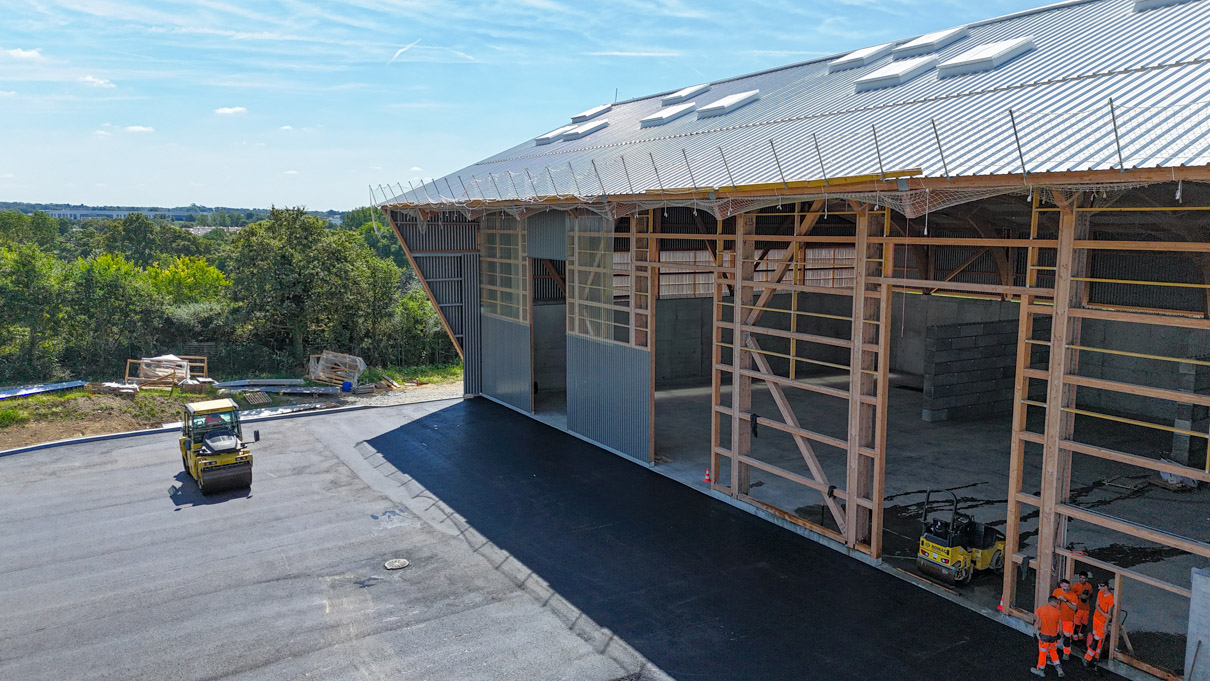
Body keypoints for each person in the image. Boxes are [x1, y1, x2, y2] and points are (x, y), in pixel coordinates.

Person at [1084, 581, 1115, 669]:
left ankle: (1088, 658)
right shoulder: (1100, 593)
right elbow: (1097, 605)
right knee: (1097, 639)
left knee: (1096, 640)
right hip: (1096, 619)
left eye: (1100, 587)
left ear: (1105, 587)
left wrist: (1105, 625)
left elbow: (1109, 615)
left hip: (1102, 622)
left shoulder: (1110, 598)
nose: (1098, 588)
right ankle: (1096, 657)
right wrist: (1103, 613)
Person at [1033, 595, 1065, 677]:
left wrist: (1034, 633)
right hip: (1053, 636)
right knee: (1053, 651)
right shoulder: (1058, 612)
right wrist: (1059, 634)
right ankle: (1059, 668)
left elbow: (1037, 622)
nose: (1057, 605)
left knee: (1043, 653)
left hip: (1044, 636)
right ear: (1052, 602)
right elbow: (1060, 625)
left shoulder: (1041, 609)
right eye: (1056, 603)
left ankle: (1040, 669)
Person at [1052, 579, 1079, 659]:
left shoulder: (1073, 595)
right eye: (1064, 586)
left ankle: (1066, 653)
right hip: (1057, 618)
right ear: (1061, 585)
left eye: (1067, 586)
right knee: (1055, 635)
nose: (1066, 588)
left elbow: (1074, 608)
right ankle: (1053, 651)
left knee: (1067, 637)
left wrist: (1066, 600)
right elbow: (1052, 603)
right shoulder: (1056, 591)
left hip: (1068, 619)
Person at [1072, 572, 1092, 641]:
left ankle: (1081, 636)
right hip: (1078, 608)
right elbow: (1072, 596)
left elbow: (1090, 595)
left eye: (1084, 578)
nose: (1082, 580)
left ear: (1086, 579)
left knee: (1084, 624)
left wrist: (1087, 598)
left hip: (1086, 608)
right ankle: (1075, 637)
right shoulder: (1075, 586)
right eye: (1080, 578)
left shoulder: (1089, 586)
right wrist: (1080, 596)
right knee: (1077, 624)